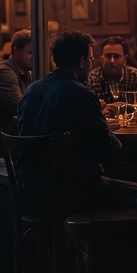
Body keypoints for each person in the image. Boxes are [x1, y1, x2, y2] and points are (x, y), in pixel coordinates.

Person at [17, 31, 124, 211]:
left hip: (32, 192)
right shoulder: (81, 94)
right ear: (81, 61)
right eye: (91, 59)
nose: (91, 64)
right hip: (72, 195)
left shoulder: (31, 90)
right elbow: (108, 151)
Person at [87, 35, 137, 104]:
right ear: (101, 58)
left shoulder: (136, 77)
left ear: (125, 59)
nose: (112, 61)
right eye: (108, 56)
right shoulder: (93, 78)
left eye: (116, 56)